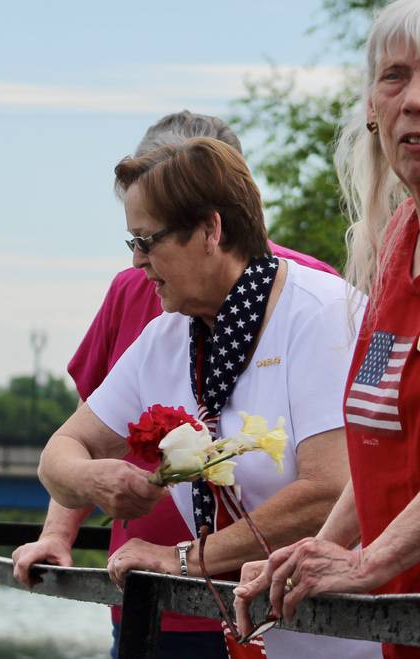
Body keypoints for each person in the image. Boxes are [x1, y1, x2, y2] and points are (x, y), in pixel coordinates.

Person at [36, 136, 379, 659]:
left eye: (148, 241)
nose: (137, 263)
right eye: (131, 243)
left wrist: (182, 560)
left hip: (354, 637)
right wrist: (93, 477)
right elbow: (59, 452)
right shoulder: (167, 337)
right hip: (254, 638)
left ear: (211, 230)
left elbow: (328, 488)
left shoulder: (320, 313)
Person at [233, 2, 420, 657]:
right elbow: (377, 438)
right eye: (395, 76)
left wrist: (368, 562)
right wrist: (319, 547)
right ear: (371, 106)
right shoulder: (396, 241)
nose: (415, 98)